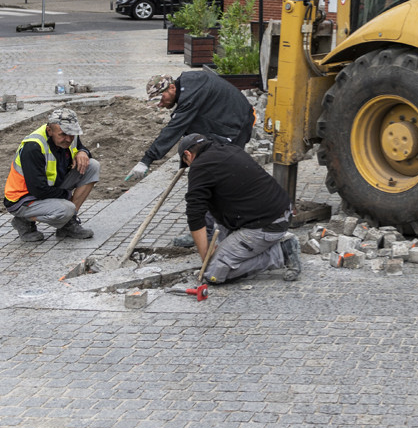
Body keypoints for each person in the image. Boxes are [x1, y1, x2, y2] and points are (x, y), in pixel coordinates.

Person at [126, 70, 257, 245]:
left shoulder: (191, 93)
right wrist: (187, 161)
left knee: (213, 180)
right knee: (208, 180)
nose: (160, 105)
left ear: (172, 87)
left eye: (160, 98)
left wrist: (146, 160)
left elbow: (176, 128)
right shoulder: (189, 89)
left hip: (234, 128)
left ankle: (210, 232)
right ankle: (209, 231)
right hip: (224, 123)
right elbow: (192, 129)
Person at [178, 134, 301, 283]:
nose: (190, 167)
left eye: (187, 163)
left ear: (188, 154)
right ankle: (245, 250)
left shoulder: (200, 167)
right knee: (215, 208)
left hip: (268, 224)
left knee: (213, 272)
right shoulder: (227, 149)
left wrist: (205, 257)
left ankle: (281, 252)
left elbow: (195, 215)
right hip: (277, 211)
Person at [4, 108, 98, 242]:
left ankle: (67, 224)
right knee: (66, 209)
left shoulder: (69, 133)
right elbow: (38, 189)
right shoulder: (34, 146)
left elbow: (79, 146)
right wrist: (66, 195)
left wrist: (83, 152)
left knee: (92, 166)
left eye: (72, 135)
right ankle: (23, 220)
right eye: (63, 135)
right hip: (23, 198)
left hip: (51, 186)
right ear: (50, 131)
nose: (68, 139)